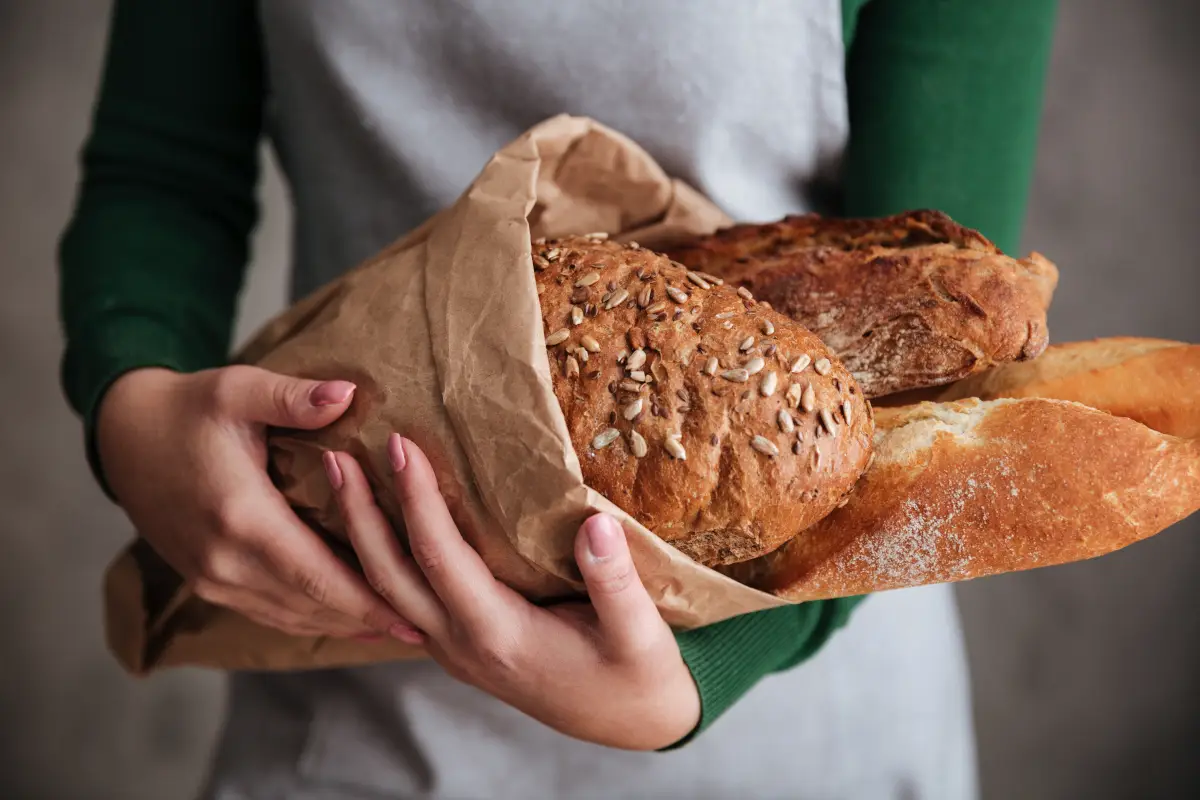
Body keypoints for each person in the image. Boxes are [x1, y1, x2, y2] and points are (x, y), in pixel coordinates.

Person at [59, 1, 1057, 797]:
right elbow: (165, 172)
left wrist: (697, 678)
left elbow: (949, 356)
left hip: (793, 686)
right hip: (355, 634)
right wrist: (136, 404)